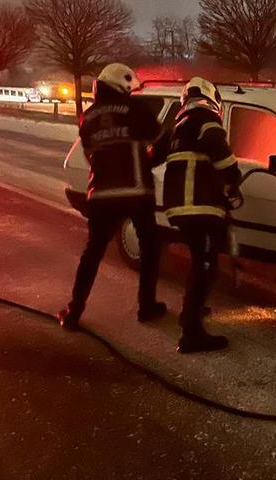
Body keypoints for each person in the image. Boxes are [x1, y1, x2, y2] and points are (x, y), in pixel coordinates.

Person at [56, 63, 166, 330]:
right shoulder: (137, 110)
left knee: (93, 253)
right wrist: (147, 161)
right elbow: (161, 138)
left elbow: (91, 153)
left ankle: (74, 312)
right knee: (150, 249)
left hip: (102, 195)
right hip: (136, 191)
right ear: (124, 87)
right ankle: (146, 307)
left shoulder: (88, 117)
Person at [163, 77, 241, 353]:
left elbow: (154, 155)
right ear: (212, 98)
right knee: (205, 265)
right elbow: (218, 147)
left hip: (180, 207)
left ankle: (189, 313)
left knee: (200, 261)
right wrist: (234, 177)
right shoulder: (205, 117)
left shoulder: (178, 125)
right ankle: (191, 334)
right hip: (198, 206)